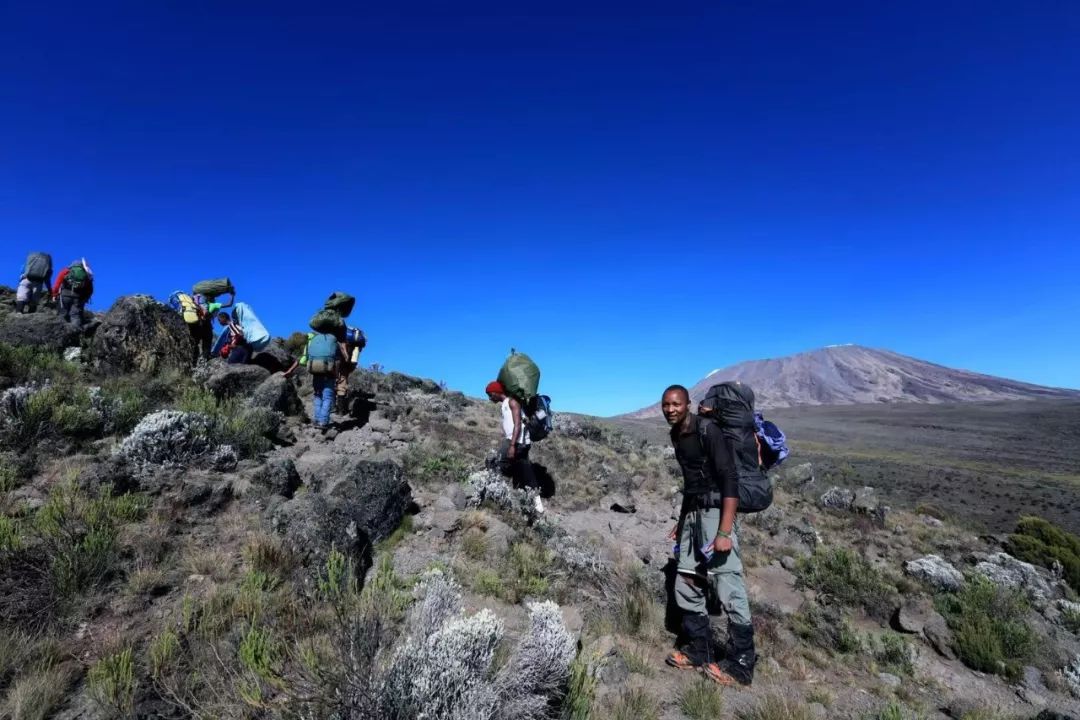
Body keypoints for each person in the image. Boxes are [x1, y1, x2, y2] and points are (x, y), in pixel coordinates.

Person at [662, 384, 756, 687]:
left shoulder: (707, 430)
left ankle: (742, 664)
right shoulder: (677, 435)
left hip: (717, 513)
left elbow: (729, 478)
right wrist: (682, 522)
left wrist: (724, 531)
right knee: (686, 578)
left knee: (727, 581)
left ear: (688, 404)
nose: (671, 409)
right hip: (692, 515)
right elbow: (692, 481)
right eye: (666, 405)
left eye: (676, 404)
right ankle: (699, 649)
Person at [486, 380, 543, 514]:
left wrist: (512, 445)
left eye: (490, 394)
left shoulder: (512, 401)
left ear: (496, 392)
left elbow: (518, 425)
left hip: (516, 442)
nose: (489, 398)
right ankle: (537, 506)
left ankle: (494, 497)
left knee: (496, 464)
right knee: (525, 474)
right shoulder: (506, 404)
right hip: (521, 442)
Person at [300, 332, 347, 431]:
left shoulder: (315, 340)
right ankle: (323, 421)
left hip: (316, 372)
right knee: (327, 397)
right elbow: (338, 361)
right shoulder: (334, 342)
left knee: (318, 395)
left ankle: (317, 419)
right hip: (328, 374)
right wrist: (336, 375)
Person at [51, 258, 94, 330]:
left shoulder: (66, 271)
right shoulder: (85, 274)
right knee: (75, 316)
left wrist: (54, 295)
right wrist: (84, 299)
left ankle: (61, 333)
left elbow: (57, 285)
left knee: (62, 314)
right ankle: (76, 334)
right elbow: (90, 290)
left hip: (64, 296)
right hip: (78, 298)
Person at [191, 292, 234, 362]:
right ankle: (205, 359)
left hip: (197, 324)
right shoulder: (213, 305)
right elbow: (229, 304)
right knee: (207, 343)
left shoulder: (197, 303)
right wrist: (232, 295)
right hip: (206, 325)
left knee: (195, 343)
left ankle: (194, 360)